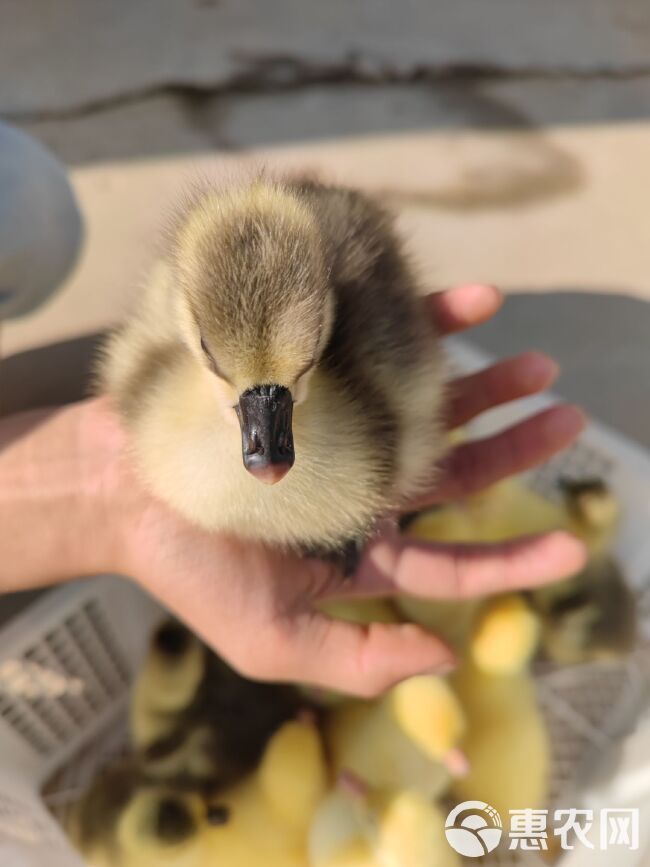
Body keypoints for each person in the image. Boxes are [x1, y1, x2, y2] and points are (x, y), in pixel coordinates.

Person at [0, 126, 586, 697]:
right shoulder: (161, 361)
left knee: (29, 202)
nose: (267, 453)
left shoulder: (371, 408)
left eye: (295, 369)